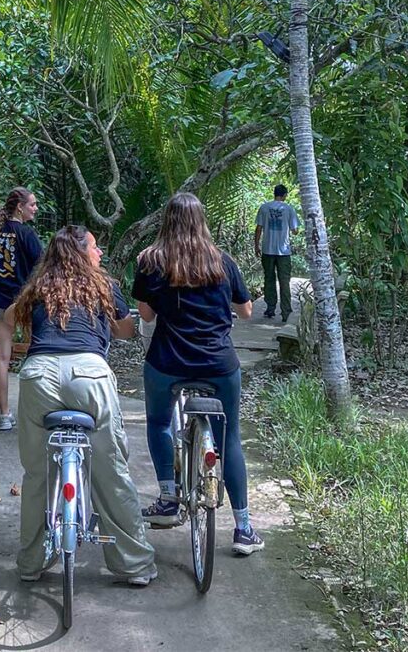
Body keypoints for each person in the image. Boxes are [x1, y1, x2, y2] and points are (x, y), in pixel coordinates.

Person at [7, 225, 157, 585]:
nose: (100, 253)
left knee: (38, 474)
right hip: (90, 375)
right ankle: (133, 564)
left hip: (39, 375)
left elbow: (11, 317)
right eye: (94, 246)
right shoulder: (103, 285)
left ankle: (31, 563)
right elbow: (124, 331)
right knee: (110, 472)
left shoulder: (40, 286)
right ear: (80, 252)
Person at [131, 192, 264, 555]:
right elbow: (248, 311)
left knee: (159, 423)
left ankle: (169, 498)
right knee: (230, 438)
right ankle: (244, 528)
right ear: (201, 221)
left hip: (167, 362)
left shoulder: (150, 261)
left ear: (166, 222)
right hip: (218, 364)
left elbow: (145, 316)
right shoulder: (221, 262)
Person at [0, 187, 42, 431]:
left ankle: (4, 414)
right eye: (32, 204)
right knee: (37, 353)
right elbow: (44, 266)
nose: (35, 208)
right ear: (20, 207)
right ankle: (37, 413)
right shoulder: (26, 234)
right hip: (25, 301)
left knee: (2, 357)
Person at [254, 184, 301, 322]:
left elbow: (258, 228)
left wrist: (256, 245)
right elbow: (295, 230)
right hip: (284, 252)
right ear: (285, 195)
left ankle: (270, 308)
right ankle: (286, 312)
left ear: (274, 193)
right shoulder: (289, 209)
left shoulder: (264, 207)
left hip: (267, 249)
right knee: (284, 281)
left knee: (269, 279)